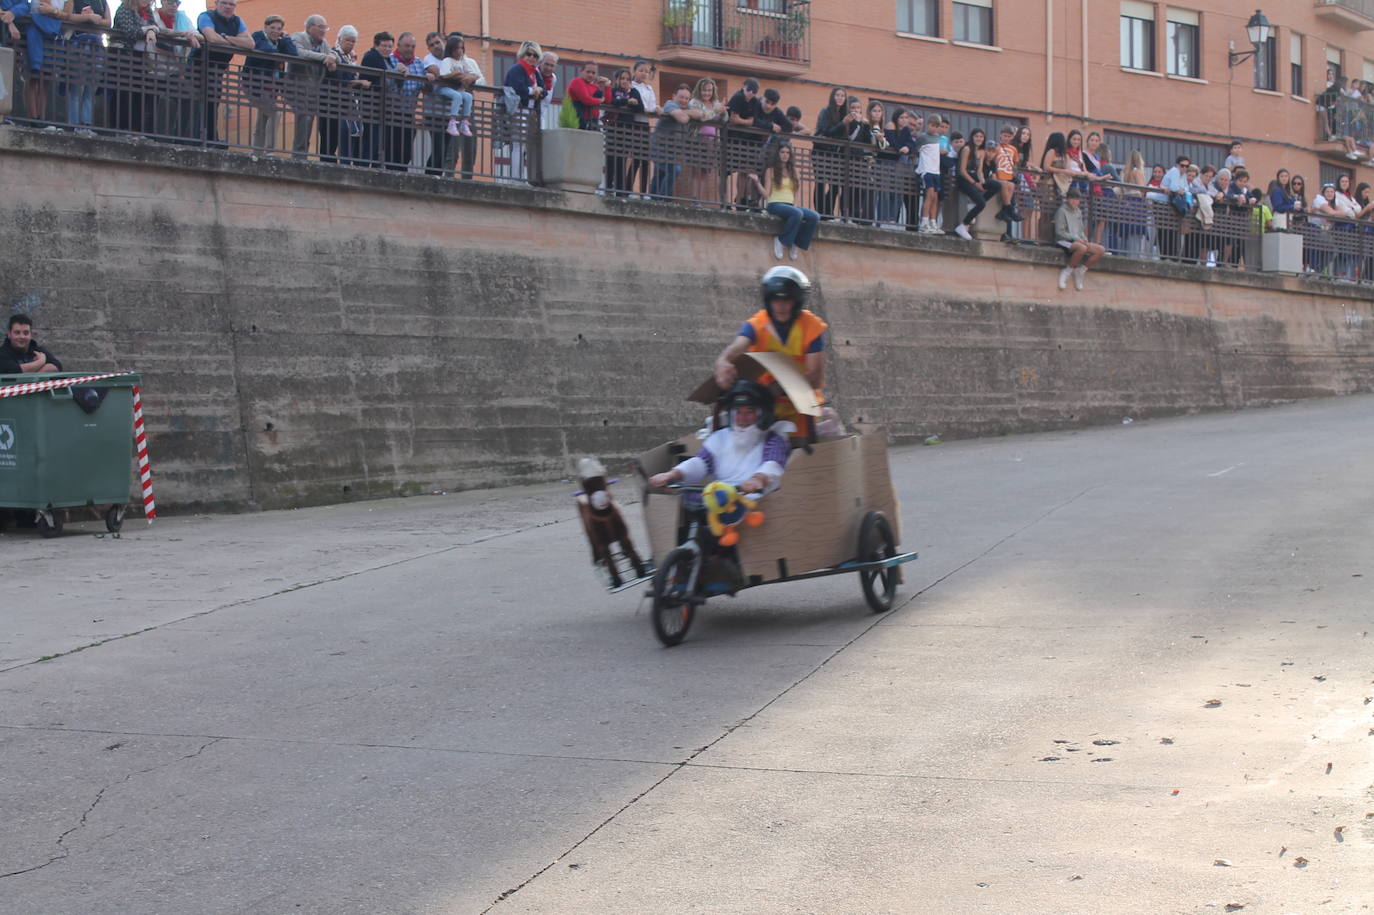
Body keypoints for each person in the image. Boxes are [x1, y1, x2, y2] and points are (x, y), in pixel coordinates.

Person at [713, 265, 826, 435]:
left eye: (787, 301)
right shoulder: (757, 324)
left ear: (796, 302)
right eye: (776, 300)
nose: (781, 306)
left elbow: (815, 378)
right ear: (769, 301)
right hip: (762, 407)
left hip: (800, 409)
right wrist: (723, 362)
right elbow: (738, 347)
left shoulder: (811, 326)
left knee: (797, 453)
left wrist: (780, 387)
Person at [648, 380, 790, 498]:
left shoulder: (773, 440)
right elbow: (700, 462)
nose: (742, 418)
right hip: (718, 500)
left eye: (750, 411)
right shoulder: (720, 437)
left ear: (762, 415)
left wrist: (757, 480)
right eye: (738, 412)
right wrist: (672, 474)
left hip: (756, 502)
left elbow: (772, 465)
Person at [195, 0, 253, 146]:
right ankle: (197, 138)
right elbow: (212, 38)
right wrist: (235, 41)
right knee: (196, 103)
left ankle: (210, 139)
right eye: (224, 3)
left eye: (232, 4)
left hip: (217, 70)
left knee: (213, 103)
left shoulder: (237, 21)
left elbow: (250, 44)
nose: (228, 7)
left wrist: (226, 38)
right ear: (216, 3)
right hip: (197, 67)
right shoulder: (206, 16)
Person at [753, 141, 818, 260]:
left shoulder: (794, 171)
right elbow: (767, 194)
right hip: (775, 204)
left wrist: (795, 204)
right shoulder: (771, 170)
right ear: (777, 153)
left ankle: (796, 243)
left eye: (787, 152)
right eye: (782, 152)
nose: (785, 155)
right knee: (797, 213)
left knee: (814, 216)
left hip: (790, 205)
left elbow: (796, 191)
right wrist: (757, 182)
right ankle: (781, 240)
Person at [244, 13, 296, 150]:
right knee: (275, 113)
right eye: (273, 28)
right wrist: (278, 50)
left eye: (279, 29)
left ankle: (256, 153)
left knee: (263, 120)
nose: (276, 31)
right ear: (265, 27)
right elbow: (264, 49)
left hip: (271, 89)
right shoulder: (258, 36)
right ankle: (269, 150)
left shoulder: (281, 41)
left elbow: (293, 54)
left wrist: (286, 38)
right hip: (254, 85)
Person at [287, 15, 338, 155]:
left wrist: (332, 57)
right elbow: (299, 53)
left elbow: (334, 55)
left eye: (325, 27)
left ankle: (301, 155)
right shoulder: (297, 37)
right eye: (320, 27)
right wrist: (325, 58)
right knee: (305, 118)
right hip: (296, 88)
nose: (324, 30)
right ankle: (299, 156)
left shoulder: (323, 43)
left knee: (308, 122)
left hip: (313, 91)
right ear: (309, 27)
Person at [320, 24, 370, 165]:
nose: (351, 44)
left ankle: (343, 164)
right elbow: (339, 78)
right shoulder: (334, 53)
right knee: (330, 140)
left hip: (345, 105)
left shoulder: (349, 58)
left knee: (345, 137)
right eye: (348, 40)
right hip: (331, 104)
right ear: (340, 39)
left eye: (353, 41)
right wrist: (358, 81)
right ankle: (328, 167)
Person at [648, 83, 699, 200]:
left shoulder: (686, 108)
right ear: (674, 96)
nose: (684, 101)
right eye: (681, 97)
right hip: (659, 147)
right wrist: (686, 113)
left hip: (673, 150)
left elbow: (699, 113)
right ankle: (661, 200)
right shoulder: (670, 104)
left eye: (687, 98)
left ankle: (653, 199)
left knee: (661, 174)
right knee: (675, 170)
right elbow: (683, 119)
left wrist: (684, 112)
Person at [1054, 187, 1105, 290]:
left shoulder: (1078, 212)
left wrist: (1084, 239)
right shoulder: (1061, 211)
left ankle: (1080, 271)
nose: (1074, 202)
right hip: (1064, 241)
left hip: (1079, 240)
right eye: (1072, 199)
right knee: (1082, 248)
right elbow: (1060, 232)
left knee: (1100, 250)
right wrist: (1077, 239)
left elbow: (1081, 229)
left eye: (1077, 199)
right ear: (1068, 199)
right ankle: (1067, 271)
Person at [601, 67, 641, 197]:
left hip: (627, 132)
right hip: (613, 130)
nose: (625, 81)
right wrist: (626, 101)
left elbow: (640, 107)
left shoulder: (633, 92)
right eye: (622, 78)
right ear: (616, 80)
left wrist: (633, 93)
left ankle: (619, 192)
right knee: (611, 160)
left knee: (622, 162)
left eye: (628, 79)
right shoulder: (613, 91)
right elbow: (612, 102)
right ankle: (608, 189)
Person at [954, 126, 999, 239]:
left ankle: (973, 205)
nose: (979, 139)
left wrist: (982, 182)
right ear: (972, 137)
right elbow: (962, 171)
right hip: (964, 179)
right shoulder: (967, 149)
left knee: (996, 185)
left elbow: (979, 171)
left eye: (981, 137)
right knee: (982, 203)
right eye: (976, 136)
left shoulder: (982, 151)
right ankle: (964, 225)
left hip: (975, 178)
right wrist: (975, 184)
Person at [812, 86, 848, 218]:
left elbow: (843, 136)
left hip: (835, 154)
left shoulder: (845, 115)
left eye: (842, 96)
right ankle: (820, 211)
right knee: (820, 182)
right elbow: (826, 131)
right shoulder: (826, 111)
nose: (840, 98)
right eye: (837, 95)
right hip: (821, 152)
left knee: (835, 185)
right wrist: (842, 124)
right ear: (833, 97)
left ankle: (828, 212)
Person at [625, 59, 658, 197]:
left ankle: (644, 192)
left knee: (644, 159)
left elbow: (653, 106)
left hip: (645, 124)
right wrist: (645, 109)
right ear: (635, 71)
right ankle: (627, 189)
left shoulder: (648, 88)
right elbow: (638, 106)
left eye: (646, 71)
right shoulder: (630, 86)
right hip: (634, 123)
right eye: (641, 70)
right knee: (635, 158)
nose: (644, 74)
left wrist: (650, 110)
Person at [433, 34, 476, 137]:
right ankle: (452, 122)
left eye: (461, 48)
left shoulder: (463, 62)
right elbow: (444, 75)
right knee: (457, 96)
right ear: (451, 49)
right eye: (457, 48)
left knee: (469, 96)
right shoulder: (447, 61)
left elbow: (472, 73)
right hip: (443, 88)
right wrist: (456, 74)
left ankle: (464, 122)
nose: (460, 51)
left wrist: (469, 77)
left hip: (456, 88)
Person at [567, 59, 609, 131]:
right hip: (580, 120)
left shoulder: (595, 86)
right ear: (581, 71)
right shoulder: (577, 81)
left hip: (593, 120)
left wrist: (607, 84)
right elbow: (586, 99)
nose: (590, 75)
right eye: (588, 72)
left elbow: (607, 101)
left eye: (593, 73)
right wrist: (599, 101)